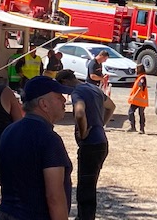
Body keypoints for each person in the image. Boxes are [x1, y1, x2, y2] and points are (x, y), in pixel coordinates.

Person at [0, 76, 74, 220]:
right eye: (58, 97)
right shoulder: (49, 139)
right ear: (44, 104)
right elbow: (54, 197)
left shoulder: (9, 131)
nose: (64, 100)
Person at [56, 69, 116, 220]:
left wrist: (83, 133)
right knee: (90, 184)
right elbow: (111, 106)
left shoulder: (77, 93)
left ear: (64, 82)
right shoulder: (93, 88)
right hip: (102, 142)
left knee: (85, 188)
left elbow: (80, 113)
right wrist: (100, 124)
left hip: (90, 144)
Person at [126, 64, 148, 134]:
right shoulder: (140, 77)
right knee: (131, 112)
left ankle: (141, 129)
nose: (135, 70)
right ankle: (133, 127)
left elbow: (140, 88)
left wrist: (134, 96)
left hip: (140, 100)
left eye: (136, 69)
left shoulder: (142, 78)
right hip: (137, 100)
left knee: (140, 114)